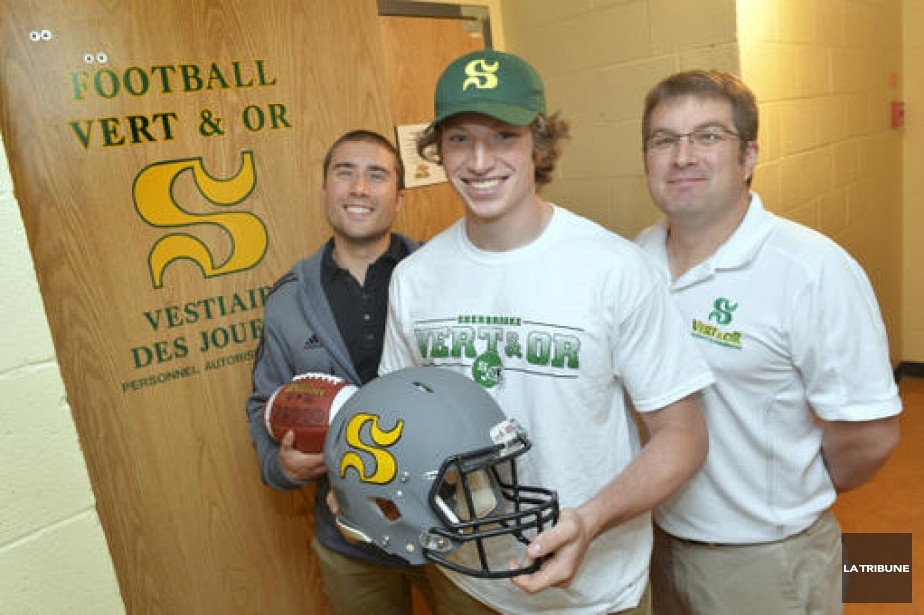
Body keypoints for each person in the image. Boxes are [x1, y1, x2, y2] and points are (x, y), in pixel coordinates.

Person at [377, 48, 714, 615]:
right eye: (460, 139)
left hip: (594, 591)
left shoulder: (613, 268)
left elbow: (683, 437)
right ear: (438, 151)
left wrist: (589, 520)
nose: (479, 160)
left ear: (538, 142)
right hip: (466, 581)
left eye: (503, 136)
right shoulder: (414, 280)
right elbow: (400, 421)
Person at [635, 69, 903, 615]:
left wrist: (790, 492)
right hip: (653, 544)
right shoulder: (633, 260)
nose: (683, 156)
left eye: (708, 136)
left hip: (765, 561)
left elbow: (870, 435)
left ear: (749, 156)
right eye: (664, 140)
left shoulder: (811, 269)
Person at [245, 130, 433, 615]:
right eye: (344, 173)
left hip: (444, 523)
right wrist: (279, 466)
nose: (359, 188)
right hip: (350, 540)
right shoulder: (288, 299)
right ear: (325, 190)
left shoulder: (440, 273)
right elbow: (263, 402)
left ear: (399, 196)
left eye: (377, 175)